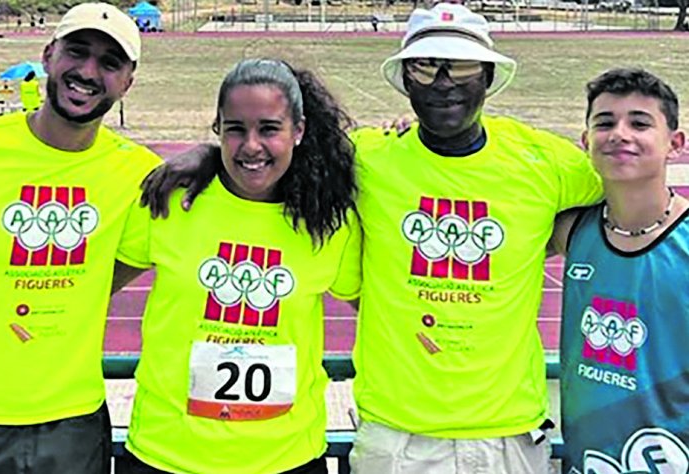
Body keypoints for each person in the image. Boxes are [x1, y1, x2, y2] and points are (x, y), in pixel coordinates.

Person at [141, 3, 604, 473]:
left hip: (507, 436)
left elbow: (627, 194)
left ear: (487, 76)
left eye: (461, 66)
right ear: (405, 80)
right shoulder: (368, 159)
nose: (443, 82)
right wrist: (208, 154)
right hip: (393, 438)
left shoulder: (547, 162)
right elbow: (276, 149)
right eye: (425, 68)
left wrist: (547, 239)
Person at [0, 3, 161, 473]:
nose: (88, 72)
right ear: (48, 56)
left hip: (73, 418)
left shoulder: (140, 174)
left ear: (128, 82)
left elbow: (122, 265)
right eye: (77, 52)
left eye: (110, 63)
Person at [115, 58, 361, 474]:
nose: (251, 146)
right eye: (234, 130)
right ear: (217, 130)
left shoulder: (330, 222)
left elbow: (385, 308)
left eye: (269, 129)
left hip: (287, 461)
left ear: (298, 131)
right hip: (167, 457)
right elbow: (88, 289)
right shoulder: (171, 203)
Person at [549, 68, 688, 474]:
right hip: (588, 461)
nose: (620, 133)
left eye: (640, 123)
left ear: (674, 144)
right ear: (586, 142)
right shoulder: (572, 230)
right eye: (605, 123)